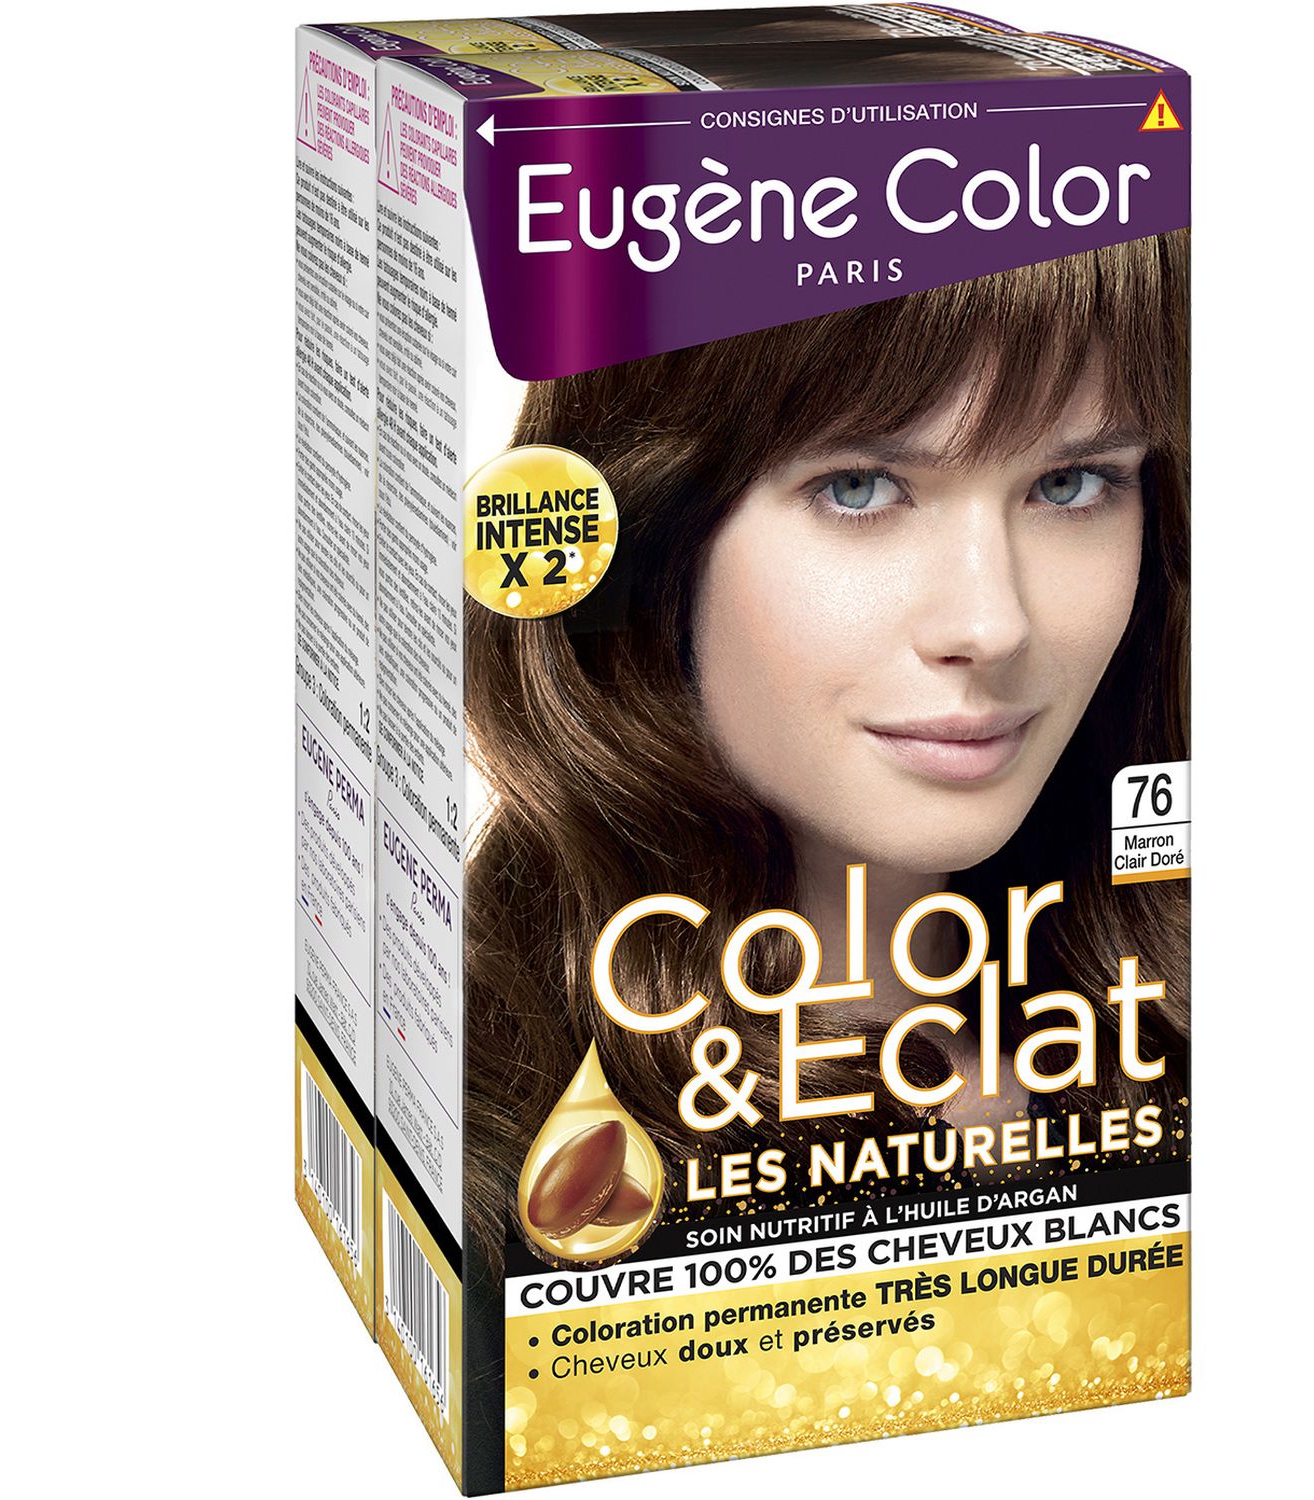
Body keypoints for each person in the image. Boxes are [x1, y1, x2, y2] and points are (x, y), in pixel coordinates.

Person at [463, 230, 1190, 1265]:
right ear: (650, 541)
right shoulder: (488, 1132)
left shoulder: (1173, 1041)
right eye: (860, 488)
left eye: (1072, 483)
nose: (993, 625)